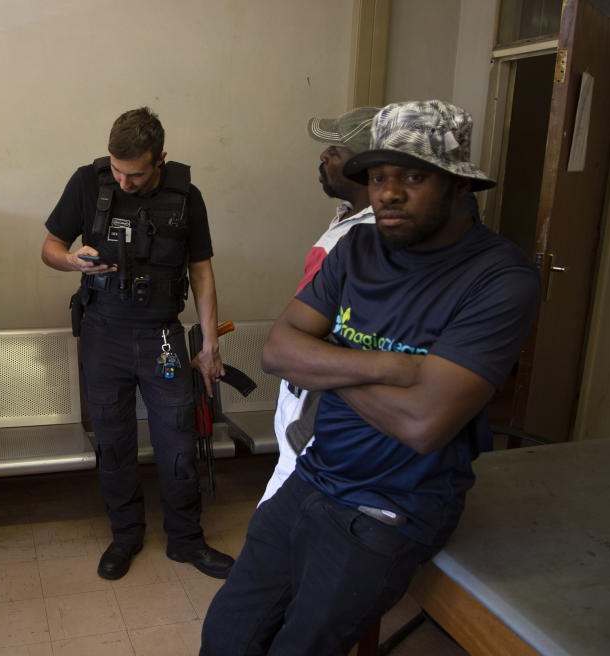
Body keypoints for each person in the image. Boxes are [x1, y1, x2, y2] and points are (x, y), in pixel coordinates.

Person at [201, 100, 541, 654]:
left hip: (390, 509)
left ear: (459, 185)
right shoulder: (358, 248)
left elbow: (423, 421)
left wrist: (328, 359)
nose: (388, 193)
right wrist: (397, 366)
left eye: (413, 176)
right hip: (313, 476)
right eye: (379, 176)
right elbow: (279, 352)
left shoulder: (500, 278)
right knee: (226, 634)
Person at [41, 107, 234, 581]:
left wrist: (209, 345)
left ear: (161, 159)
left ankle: (186, 540)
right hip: (103, 335)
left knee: (177, 441)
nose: (124, 182)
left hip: (162, 337)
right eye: (117, 170)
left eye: (136, 173)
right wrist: (71, 261)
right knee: (114, 440)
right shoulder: (87, 182)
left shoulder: (188, 196)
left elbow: (202, 271)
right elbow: (49, 247)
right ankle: (125, 536)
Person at [260, 105, 379, 505]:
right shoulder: (348, 218)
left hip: (324, 398)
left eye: (336, 151)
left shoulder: (372, 238)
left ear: (365, 166)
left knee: (289, 506)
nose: (323, 157)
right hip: (303, 387)